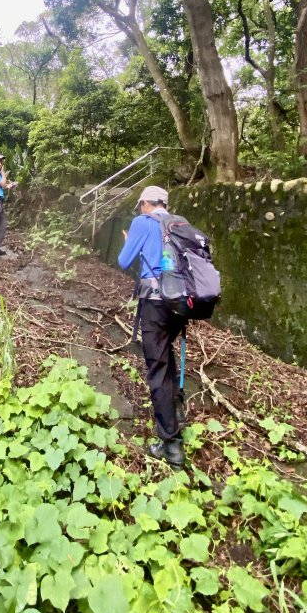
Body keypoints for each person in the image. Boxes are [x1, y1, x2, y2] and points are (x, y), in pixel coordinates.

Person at [118, 185, 186, 469]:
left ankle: (171, 445)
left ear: (147, 204)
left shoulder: (142, 223)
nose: (139, 210)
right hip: (180, 303)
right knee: (166, 358)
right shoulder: (179, 223)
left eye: (140, 205)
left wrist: (128, 241)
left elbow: (124, 261)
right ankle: (175, 409)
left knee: (157, 367)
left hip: (156, 304)